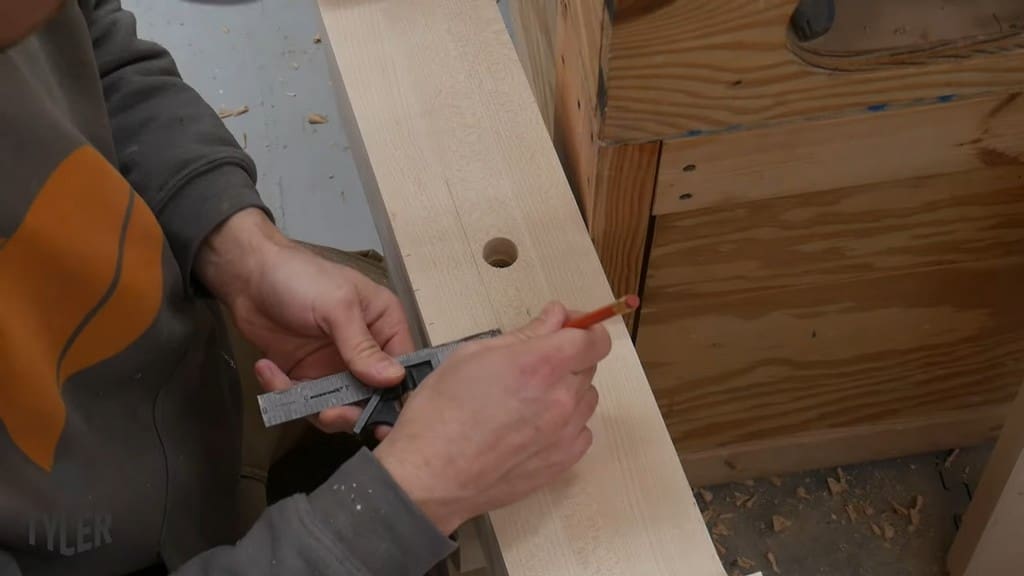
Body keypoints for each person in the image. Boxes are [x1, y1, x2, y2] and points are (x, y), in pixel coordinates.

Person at [0, 1, 612, 575]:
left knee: (398, 315)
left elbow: (95, 53)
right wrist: (407, 502)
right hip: (101, 549)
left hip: (189, 376)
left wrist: (239, 250)